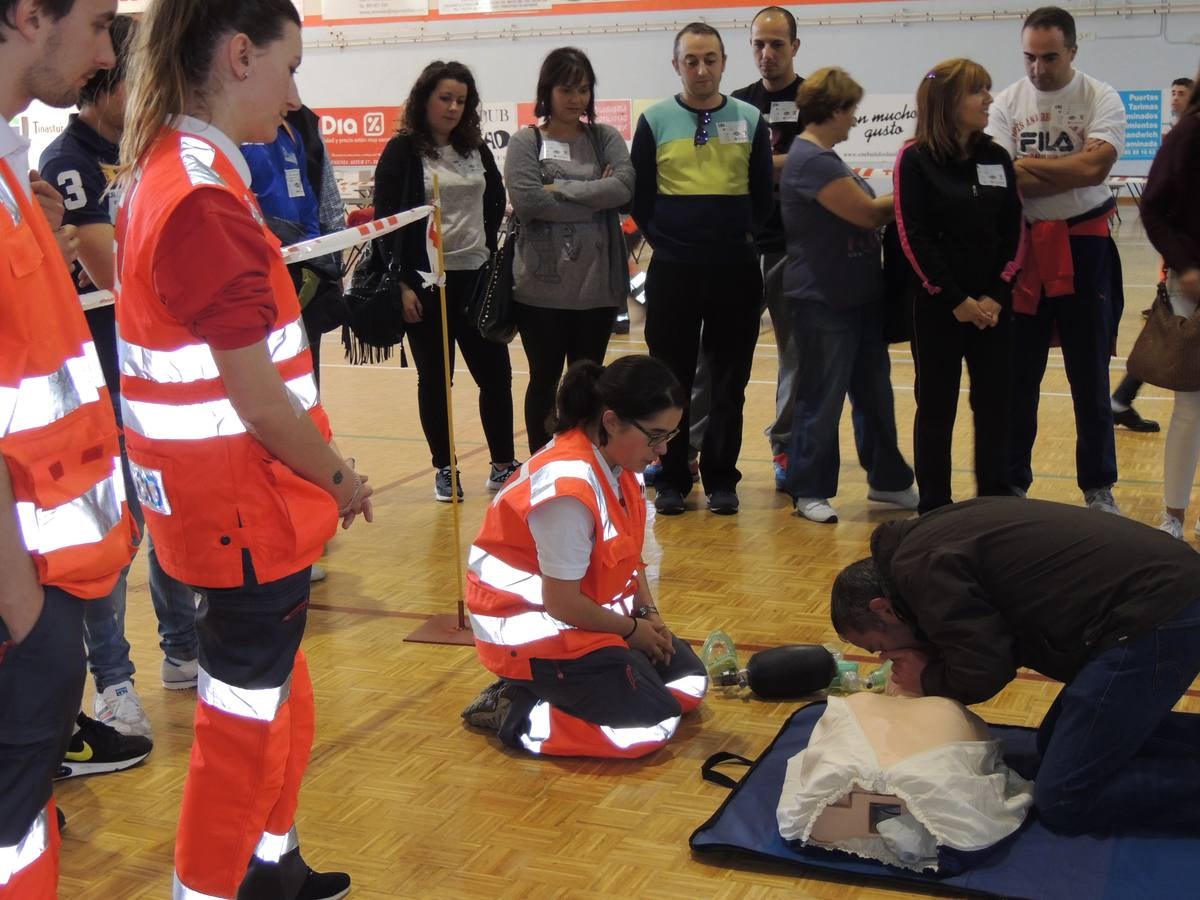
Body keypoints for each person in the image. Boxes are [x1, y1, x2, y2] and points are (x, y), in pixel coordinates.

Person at [115, 2, 373, 896]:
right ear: (237, 57)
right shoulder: (199, 197)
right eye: (291, 66)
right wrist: (342, 479)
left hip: (233, 508)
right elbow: (260, 401)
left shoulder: (175, 171)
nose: (298, 94)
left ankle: (273, 867)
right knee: (238, 731)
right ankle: (214, 886)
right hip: (240, 510)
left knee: (275, 705)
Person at [0, 0, 139, 895]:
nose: (104, 52)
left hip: (42, 594)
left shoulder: (12, 175)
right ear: (23, 15)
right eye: (94, 22)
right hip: (22, 611)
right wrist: (27, 616)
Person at [830, 496, 1200, 834]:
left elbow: (987, 666)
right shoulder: (917, 545)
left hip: (1158, 615)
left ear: (882, 608)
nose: (883, 659)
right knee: (1054, 739)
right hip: (1159, 595)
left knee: (1063, 801)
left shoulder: (921, 570)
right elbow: (989, 633)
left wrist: (927, 678)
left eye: (878, 647)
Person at [40, 13, 200, 741]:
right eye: (136, 76)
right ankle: (113, 683)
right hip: (96, 386)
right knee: (115, 539)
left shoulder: (150, 155)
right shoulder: (67, 162)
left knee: (168, 520)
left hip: (154, 380)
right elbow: (120, 274)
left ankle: (183, 651)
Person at [461, 356, 708, 758]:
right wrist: (630, 633)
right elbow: (561, 603)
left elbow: (628, 556)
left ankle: (598, 686)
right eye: (656, 436)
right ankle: (517, 710)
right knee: (649, 727)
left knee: (689, 685)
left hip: (590, 623)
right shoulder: (567, 492)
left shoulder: (621, 462)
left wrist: (647, 616)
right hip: (538, 638)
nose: (662, 450)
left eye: (671, 435)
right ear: (611, 421)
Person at [986, 6, 1126, 513]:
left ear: (1072, 50)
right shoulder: (1007, 102)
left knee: (1088, 374)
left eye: (1049, 57)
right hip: (1024, 250)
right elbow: (1002, 177)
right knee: (1019, 376)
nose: (1038, 69)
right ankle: (1014, 482)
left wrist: (1032, 166)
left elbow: (1095, 169)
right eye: (1029, 57)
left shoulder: (1099, 96)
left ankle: (1098, 486)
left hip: (1084, 246)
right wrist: (1067, 168)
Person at [631, 22, 773, 516]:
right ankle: (671, 478)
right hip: (673, 272)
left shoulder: (751, 119)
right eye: (690, 60)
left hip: (735, 272)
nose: (701, 68)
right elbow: (641, 198)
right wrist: (668, 242)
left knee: (729, 381)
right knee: (669, 381)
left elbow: (761, 196)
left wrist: (739, 238)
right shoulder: (654, 121)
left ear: (723, 63)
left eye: (710, 59)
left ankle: (720, 479)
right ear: (676, 65)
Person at [372, 60, 518, 502]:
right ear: (425, 99)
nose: (454, 108)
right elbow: (385, 221)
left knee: (496, 376)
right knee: (436, 381)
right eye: (445, 98)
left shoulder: (476, 148)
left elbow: (494, 199)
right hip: (425, 284)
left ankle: (502, 465)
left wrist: (488, 252)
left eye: (461, 100)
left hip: (475, 280)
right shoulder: (401, 151)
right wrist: (400, 283)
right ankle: (444, 467)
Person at [781, 67, 916, 524]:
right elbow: (864, 213)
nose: (855, 121)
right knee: (821, 399)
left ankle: (889, 480)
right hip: (823, 299)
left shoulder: (826, 157)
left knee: (875, 395)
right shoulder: (812, 160)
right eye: (851, 111)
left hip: (858, 296)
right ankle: (809, 488)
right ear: (834, 110)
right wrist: (916, 189)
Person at [893, 59, 1023, 514]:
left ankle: (994, 505)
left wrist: (994, 296)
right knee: (936, 409)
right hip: (938, 308)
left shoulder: (997, 157)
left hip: (992, 309)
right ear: (948, 102)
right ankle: (935, 509)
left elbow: (1013, 232)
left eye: (988, 89)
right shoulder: (915, 159)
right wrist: (956, 299)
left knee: (994, 407)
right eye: (978, 91)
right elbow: (914, 237)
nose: (989, 99)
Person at [506, 47, 634, 455]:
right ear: (548, 91)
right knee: (543, 378)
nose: (576, 98)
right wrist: (596, 193)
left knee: (589, 381)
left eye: (583, 89)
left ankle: (586, 457)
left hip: (596, 286)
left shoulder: (604, 138)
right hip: (540, 289)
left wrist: (558, 188)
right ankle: (543, 461)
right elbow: (527, 202)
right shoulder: (526, 142)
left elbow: (625, 188)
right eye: (567, 89)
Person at [777, 691, 1033, 871]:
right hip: (936, 808)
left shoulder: (859, 701)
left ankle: (892, 817)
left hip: (844, 800)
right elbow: (988, 764)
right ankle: (896, 819)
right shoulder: (953, 711)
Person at [732, 6, 805, 490]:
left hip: (794, 245)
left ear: (795, 46)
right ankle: (688, 449)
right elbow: (728, 166)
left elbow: (810, 161)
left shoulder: (814, 100)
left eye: (777, 44)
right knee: (715, 353)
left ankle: (785, 449)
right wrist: (774, 163)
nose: (767, 53)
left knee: (794, 356)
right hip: (737, 246)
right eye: (759, 43)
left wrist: (760, 161)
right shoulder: (736, 103)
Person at [1107, 74, 1195, 434]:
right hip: (1182, 261)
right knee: (1167, 334)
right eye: (1171, 92)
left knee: (1167, 336)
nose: (1174, 97)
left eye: (1180, 92)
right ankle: (1121, 397)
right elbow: (1157, 208)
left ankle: (1122, 397)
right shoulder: (1181, 136)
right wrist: (1180, 262)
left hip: (1181, 257)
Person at [1141, 72, 1200, 540]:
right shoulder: (1189, 133)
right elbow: (1153, 207)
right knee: (1190, 406)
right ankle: (1174, 517)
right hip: (1193, 285)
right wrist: (1185, 266)